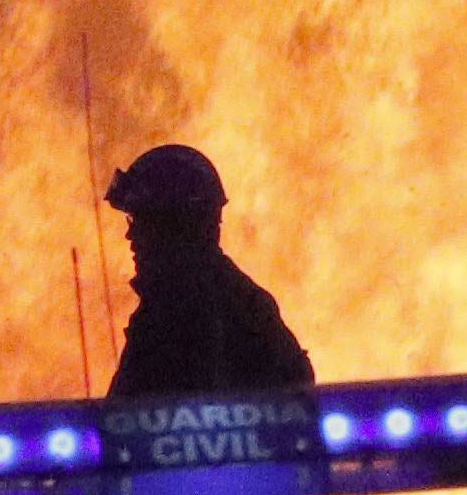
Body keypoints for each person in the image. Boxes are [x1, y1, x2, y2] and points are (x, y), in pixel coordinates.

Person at [101, 143, 315, 396]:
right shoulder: (235, 301)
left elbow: (126, 417)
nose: (130, 234)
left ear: (175, 225)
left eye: (141, 221)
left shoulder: (183, 313)